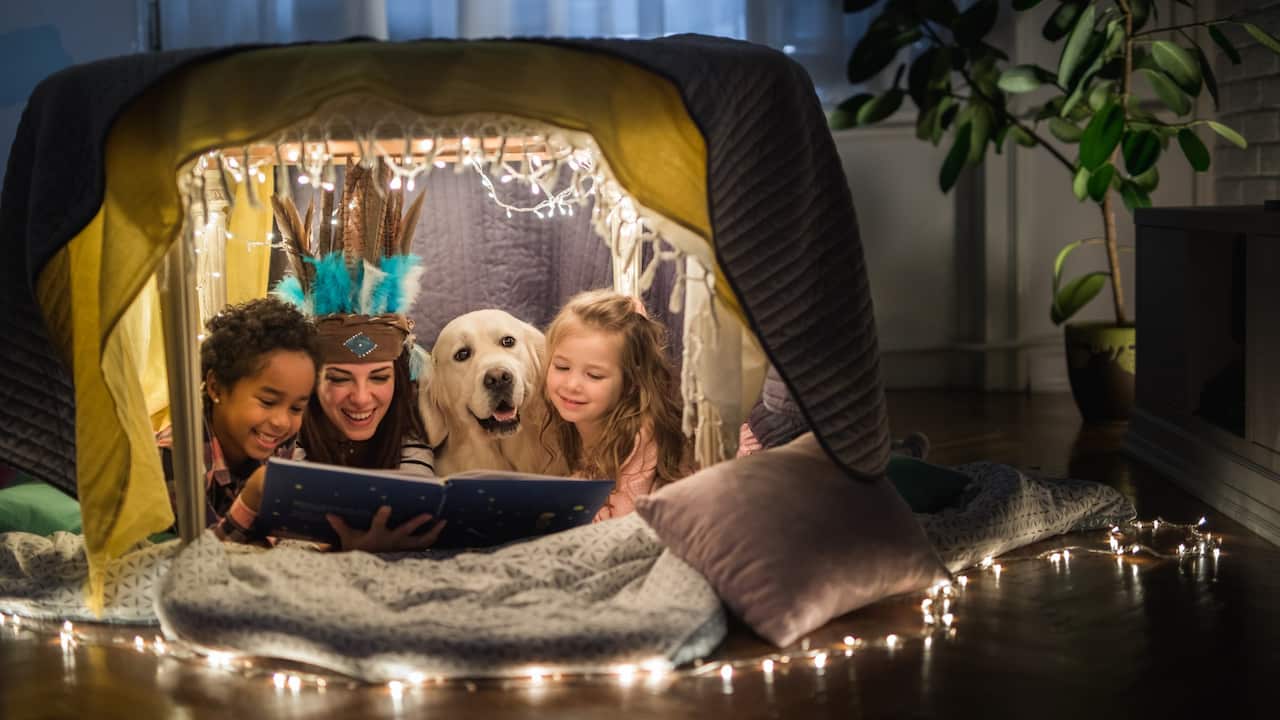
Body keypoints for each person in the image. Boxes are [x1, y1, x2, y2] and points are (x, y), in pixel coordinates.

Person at [156, 296, 320, 543]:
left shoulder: (278, 439)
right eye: (267, 402)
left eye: (296, 408)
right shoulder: (177, 458)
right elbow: (199, 558)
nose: (282, 422)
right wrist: (250, 502)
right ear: (216, 387)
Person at [541, 289, 692, 521]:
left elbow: (625, 522)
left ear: (631, 382)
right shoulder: (572, 420)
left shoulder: (641, 433)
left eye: (594, 375)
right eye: (561, 367)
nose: (572, 385)